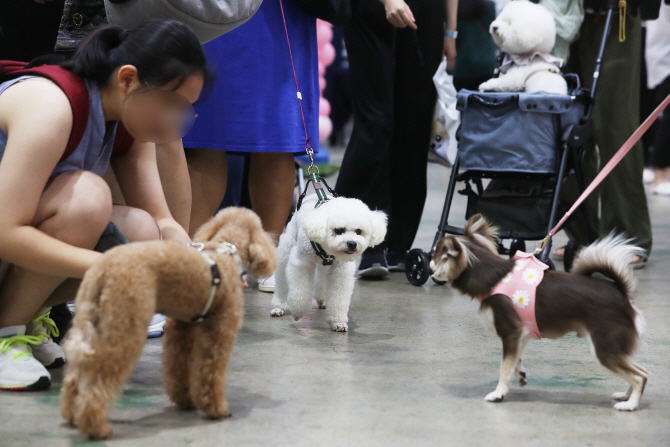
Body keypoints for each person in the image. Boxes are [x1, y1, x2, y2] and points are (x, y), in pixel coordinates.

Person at [0, 19, 208, 390]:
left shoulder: (126, 119)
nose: (175, 119)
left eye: (185, 109)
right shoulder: (53, 106)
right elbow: (5, 231)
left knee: (143, 232)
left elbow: (161, 221)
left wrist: (192, 257)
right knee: (88, 199)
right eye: (171, 103)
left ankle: (28, 316)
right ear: (127, 79)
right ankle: (5, 334)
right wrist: (113, 265)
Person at [183, 0, 319, 293]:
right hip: (209, 13)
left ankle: (267, 256)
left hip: (278, 13)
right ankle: (194, 251)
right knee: (205, 131)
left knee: (275, 135)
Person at [334, 0, 458, 277]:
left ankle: (399, 244)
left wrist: (450, 32)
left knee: (414, 128)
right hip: (372, 10)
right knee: (375, 124)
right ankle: (366, 240)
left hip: (426, 15)